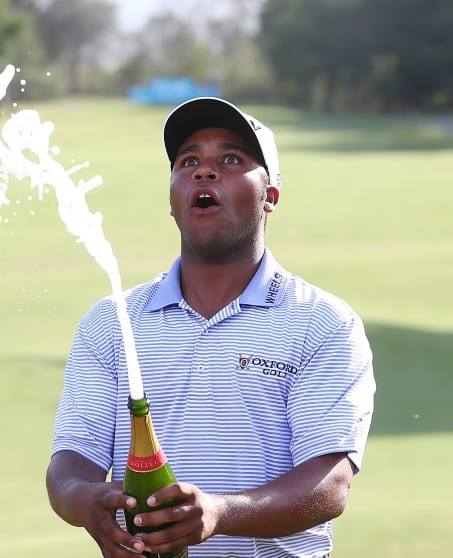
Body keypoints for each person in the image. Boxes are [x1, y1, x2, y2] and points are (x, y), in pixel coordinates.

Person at [45, 97, 376, 558]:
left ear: (271, 196)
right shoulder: (111, 323)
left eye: (231, 159)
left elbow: (330, 485)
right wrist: (84, 500)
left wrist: (220, 513)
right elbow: (70, 462)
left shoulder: (321, 323)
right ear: (173, 199)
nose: (204, 171)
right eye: (188, 161)